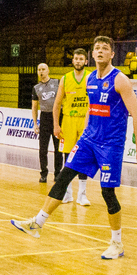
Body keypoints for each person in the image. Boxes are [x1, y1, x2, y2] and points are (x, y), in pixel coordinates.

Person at [12, 36, 137, 259]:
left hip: (110, 144)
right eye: (97, 48)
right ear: (92, 55)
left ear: (112, 54)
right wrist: (85, 132)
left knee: (107, 193)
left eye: (105, 48)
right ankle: (37, 223)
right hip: (88, 140)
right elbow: (91, 109)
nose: (100, 51)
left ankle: (117, 243)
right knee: (63, 177)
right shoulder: (90, 79)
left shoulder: (120, 80)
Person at [55, 47, 93, 206]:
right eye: (76, 59)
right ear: (72, 61)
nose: (78, 61)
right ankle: (68, 193)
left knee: (84, 156)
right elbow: (57, 104)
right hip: (68, 120)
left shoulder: (91, 77)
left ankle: (82, 195)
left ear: (86, 61)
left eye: (81, 59)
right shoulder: (65, 78)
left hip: (85, 121)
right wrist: (56, 125)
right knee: (68, 157)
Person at [30, 62, 60, 183]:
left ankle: (58, 174)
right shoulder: (36, 88)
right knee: (43, 149)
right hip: (45, 117)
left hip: (57, 117)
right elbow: (34, 107)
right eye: (39, 70)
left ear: (48, 71)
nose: (41, 71)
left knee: (58, 148)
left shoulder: (57, 83)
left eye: (43, 69)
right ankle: (43, 173)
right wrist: (35, 123)